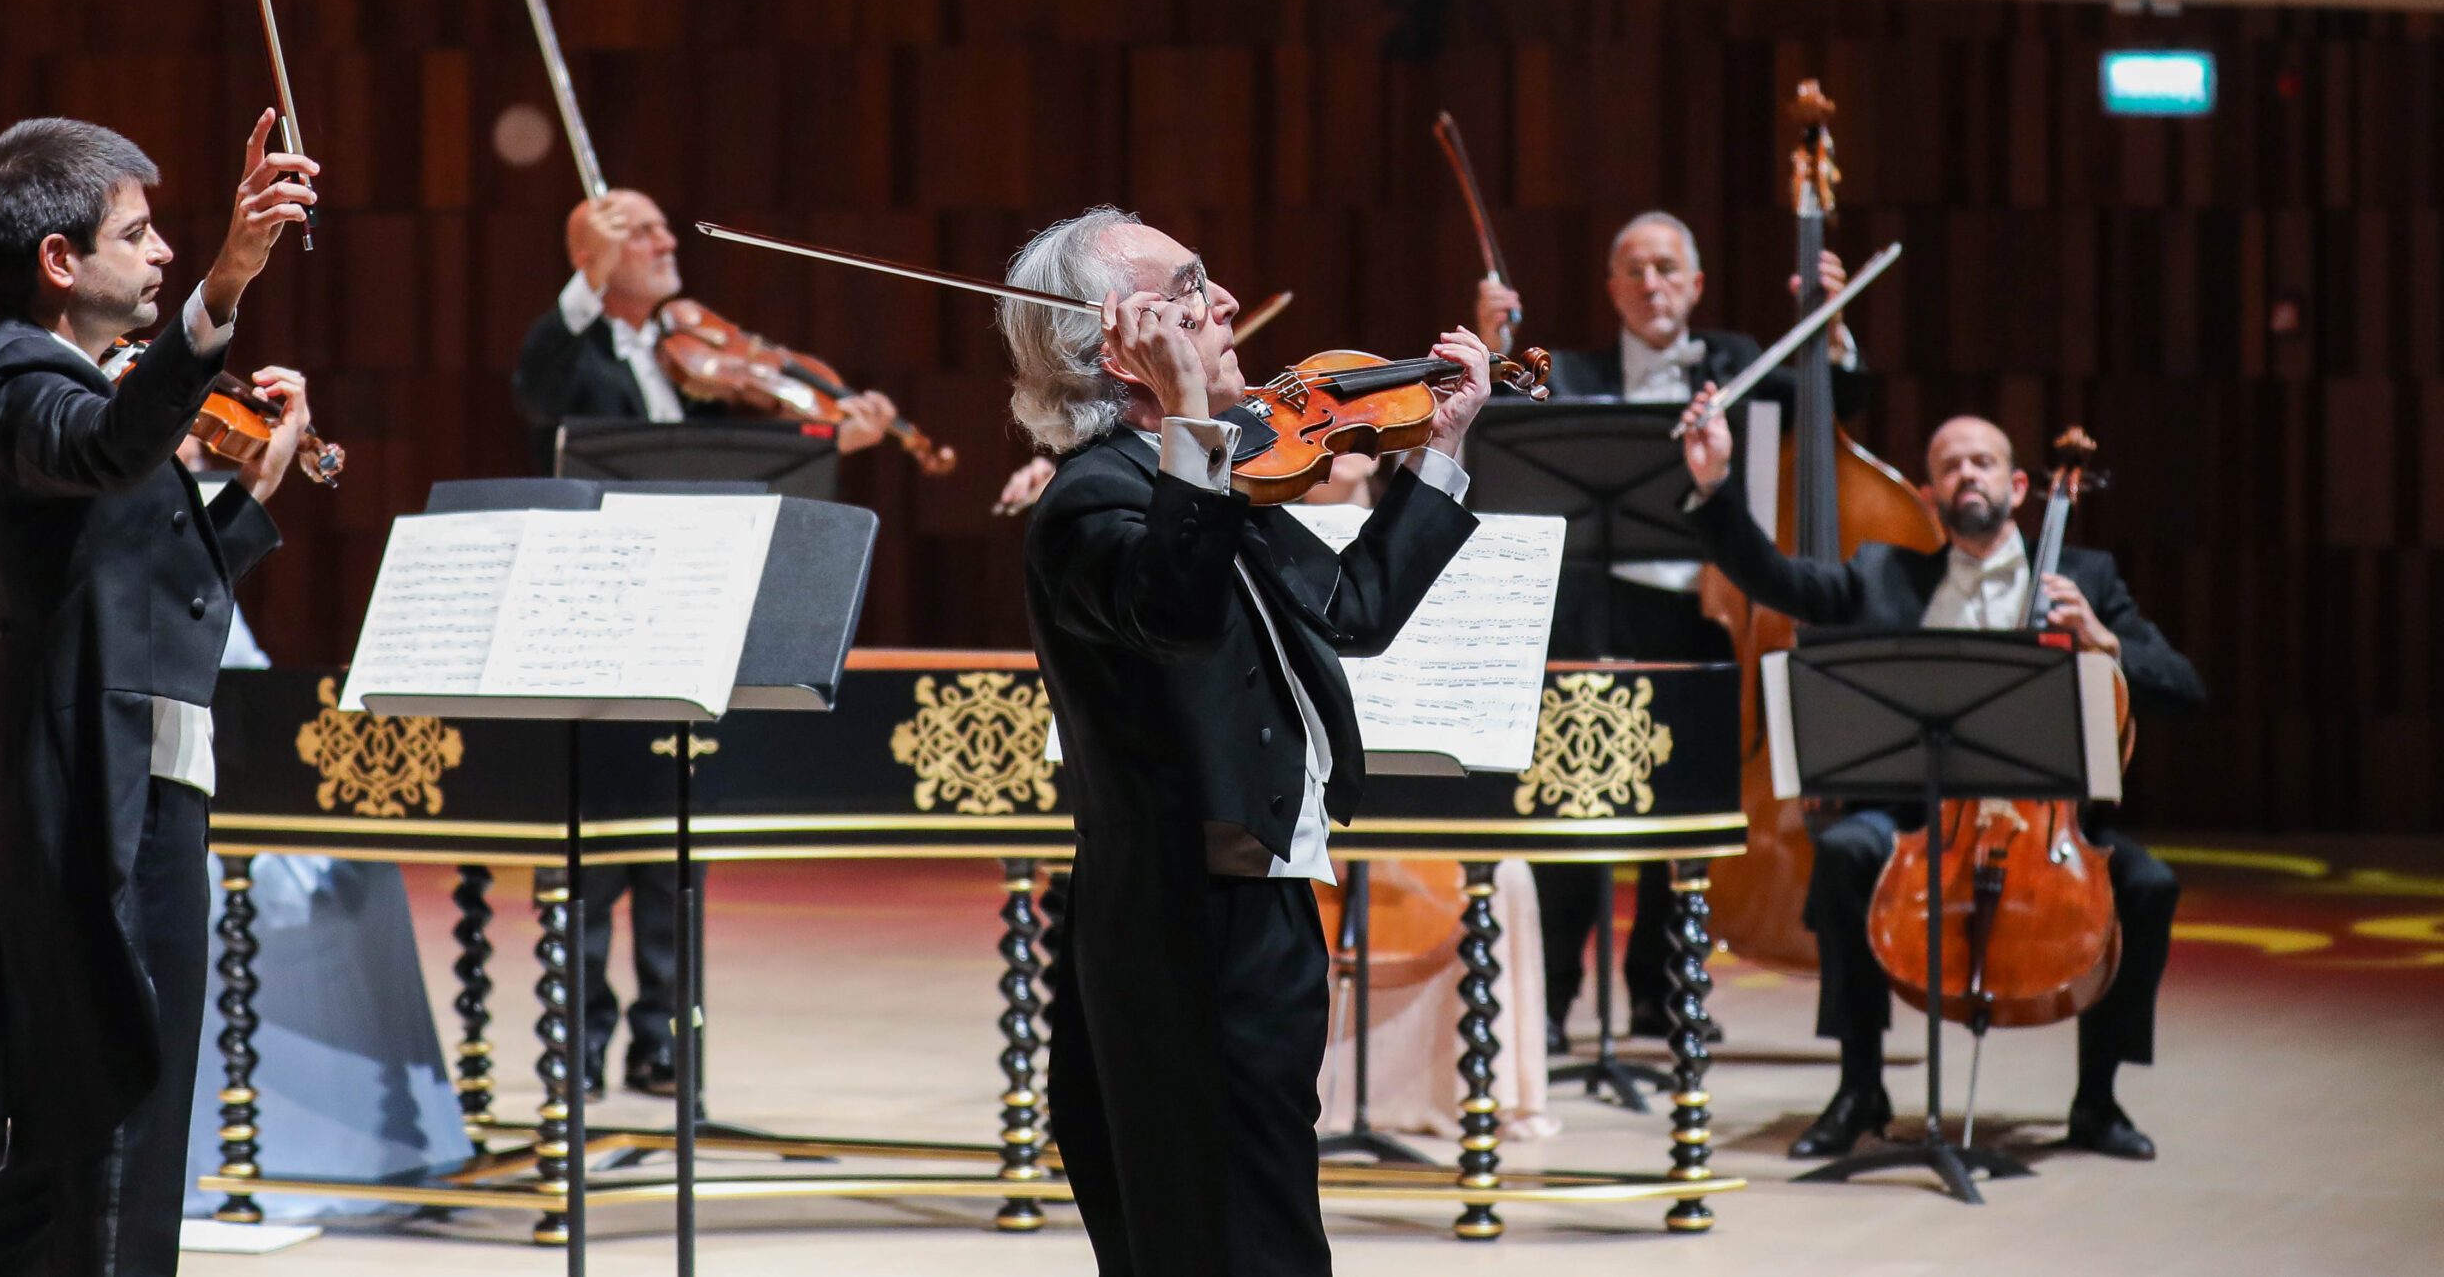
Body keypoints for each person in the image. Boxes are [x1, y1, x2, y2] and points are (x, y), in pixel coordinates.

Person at [1003, 205, 1487, 1277]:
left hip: (1255, 913)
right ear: (1115, 348)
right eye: (1187, 291)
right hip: (1185, 928)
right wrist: (1188, 416)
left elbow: (1353, 609)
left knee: (1253, 1212)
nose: (1224, 305)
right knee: (1229, 1237)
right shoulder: (1093, 505)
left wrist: (1440, 453)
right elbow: (1173, 610)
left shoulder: (1217, 478)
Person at [0, 111, 317, 1277]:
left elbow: (135, 583)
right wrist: (226, 285)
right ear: (59, 261)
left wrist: (250, 493)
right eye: (139, 234)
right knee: (109, 1133)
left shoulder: (70, 383)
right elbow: (104, 448)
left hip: (139, 775)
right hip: (90, 799)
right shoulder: (13, 380)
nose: (161, 254)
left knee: (87, 1146)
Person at [1678, 402, 2204, 1161]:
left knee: (2149, 887)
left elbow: (2185, 689)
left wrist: (2109, 641)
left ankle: (2098, 1100)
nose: (1966, 476)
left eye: (1982, 462)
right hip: (1921, 816)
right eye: (1949, 466)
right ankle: (1861, 1086)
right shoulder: (1886, 573)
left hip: (2053, 824)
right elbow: (1777, 579)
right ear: (1927, 497)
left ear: (2019, 485)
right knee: (1848, 853)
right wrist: (1716, 485)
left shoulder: (2084, 579)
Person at [512, 186, 896, 1096]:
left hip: (687, 619)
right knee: (594, 844)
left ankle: (665, 1041)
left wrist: (837, 430)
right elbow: (539, 381)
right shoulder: (571, 350)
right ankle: (578, 1041)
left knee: (675, 845)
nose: (664, 240)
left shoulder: (693, 360)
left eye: (661, 226)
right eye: (638, 230)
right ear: (595, 253)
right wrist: (584, 279)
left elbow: (752, 458)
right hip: (598, 626)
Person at [1477, 208, 1868, 1049]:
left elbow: (1830, 413)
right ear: (1612, 289)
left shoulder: (1740, 364)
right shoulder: (1573, 373)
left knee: (1677, 811)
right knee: (1570, 810)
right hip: (1589, 611)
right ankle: (1548, 1002)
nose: (1652, 284)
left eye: (1667, 269)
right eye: (1635, 271)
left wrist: (1828, 337)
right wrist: (1490, 339)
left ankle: (1659, 992)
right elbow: (1499, 430)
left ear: (1695, 285)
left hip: (1701, 609)